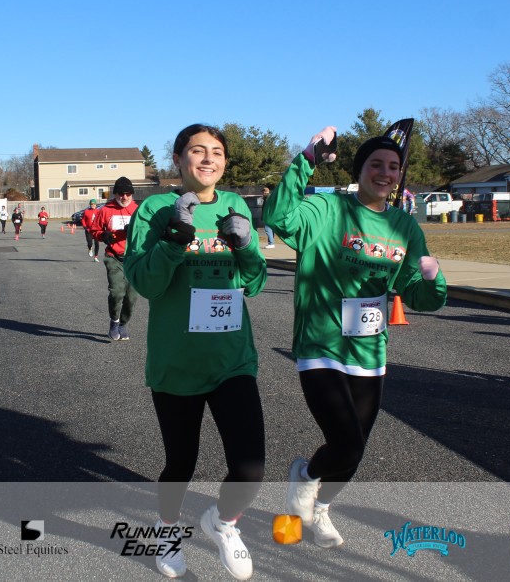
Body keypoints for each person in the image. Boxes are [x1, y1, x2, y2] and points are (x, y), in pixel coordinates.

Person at [264, 126, 446, 549]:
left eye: (393, 167)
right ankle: (305, 482)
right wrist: (307, 158)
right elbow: (278, 217)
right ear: (359, 170)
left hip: (369, 349)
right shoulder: (327, 209)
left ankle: (319, 506)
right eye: (376, 164)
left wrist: (433, 279)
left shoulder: (404, 225)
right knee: (345, 440)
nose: (385, 173)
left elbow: (418, 295)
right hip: (321, 344)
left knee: (354, 448)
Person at [125, 125, 267, 580]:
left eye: (217, 152)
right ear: (178, 158)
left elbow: (255, 283)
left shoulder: (235, 204)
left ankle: (223, 523)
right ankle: (166, 530)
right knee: (181, 463)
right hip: (177, 361)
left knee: (250, 466)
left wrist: (247, 246)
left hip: (231, 358)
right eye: (198, 151)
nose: (208, 159)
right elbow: (144, 283)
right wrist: (174, 239)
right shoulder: (154, 209)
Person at [89, 177, 138, 341]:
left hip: (134, 258)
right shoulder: (106, 210)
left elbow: (148, 231)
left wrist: (136, 231)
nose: (124, 197)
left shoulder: (138, 210)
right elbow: (94, 230)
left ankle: (123, 324)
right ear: (115, 194)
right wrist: (103, 235)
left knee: (131, 297)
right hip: (113, 257)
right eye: (121, 193)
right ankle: (114, 321)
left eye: (128, 193)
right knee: (117, 292)